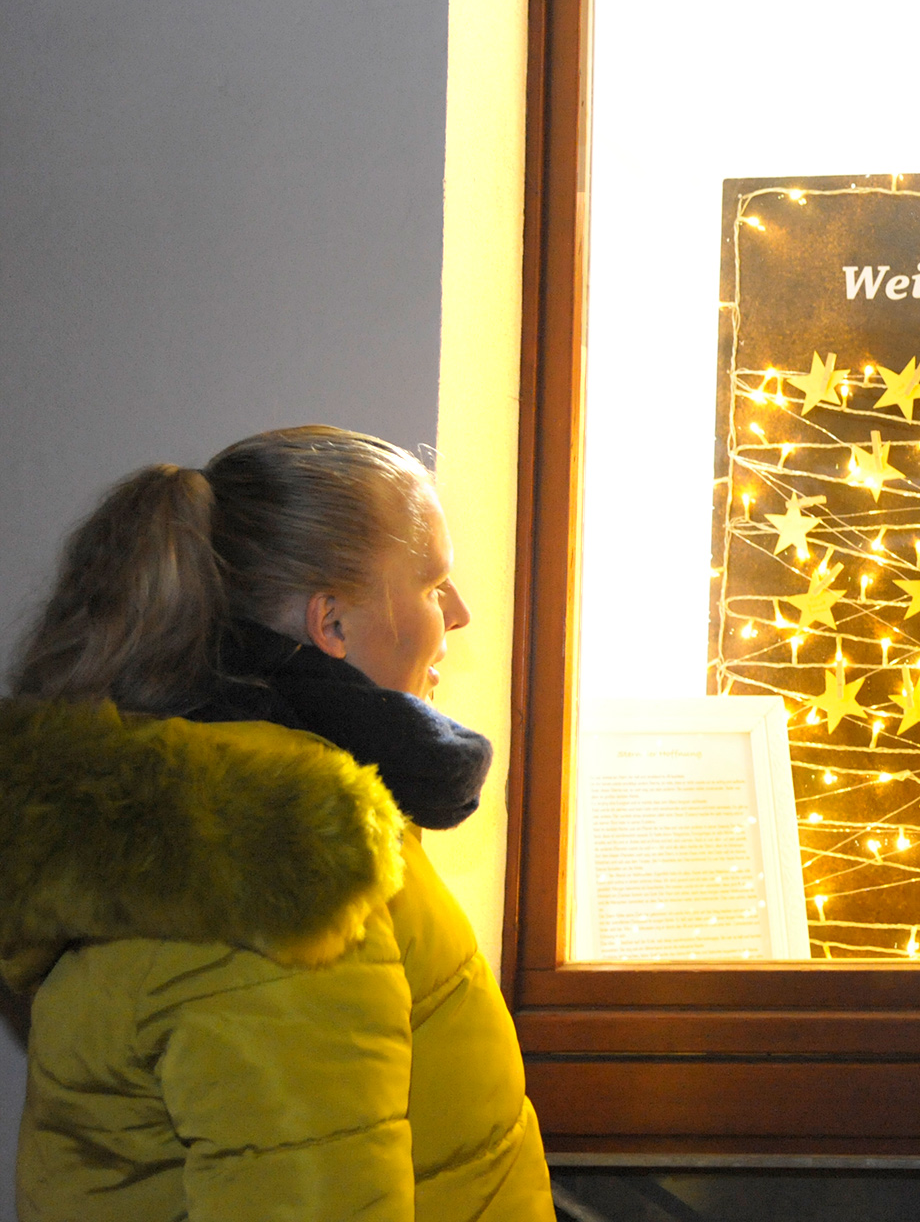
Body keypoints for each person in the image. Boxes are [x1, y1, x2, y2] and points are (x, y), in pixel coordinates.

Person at [0, 426, 552, 1221]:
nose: (458, 614)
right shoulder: (275, 860)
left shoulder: (226, 808)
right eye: (433, 584)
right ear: (331, 626)